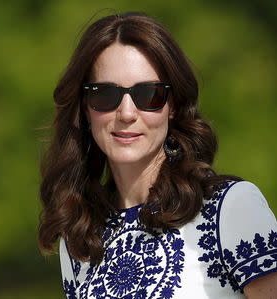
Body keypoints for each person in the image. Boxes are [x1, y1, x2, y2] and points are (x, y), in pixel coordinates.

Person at [38, 12, 277, 299]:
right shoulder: (79, 238)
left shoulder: (229, 208)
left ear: (173, 106)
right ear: (85, 108)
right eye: (105, 94)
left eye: (149, 95)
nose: (126, 113)